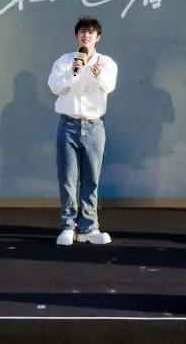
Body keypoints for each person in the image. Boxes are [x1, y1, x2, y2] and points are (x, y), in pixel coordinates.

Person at [48, 16, 118, 246]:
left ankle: (88, 227)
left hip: (94, 125)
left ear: (98, 37)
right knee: (67, 178)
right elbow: (54, 86)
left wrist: (97, 74)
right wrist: (73, 71)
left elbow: (109, 86)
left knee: (91, 179)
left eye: (90, 32)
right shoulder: (65, 60)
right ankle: (68, 226)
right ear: (76, 35)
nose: (86, 36)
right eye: (82, 32)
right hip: (67, 125)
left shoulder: (106, 63)